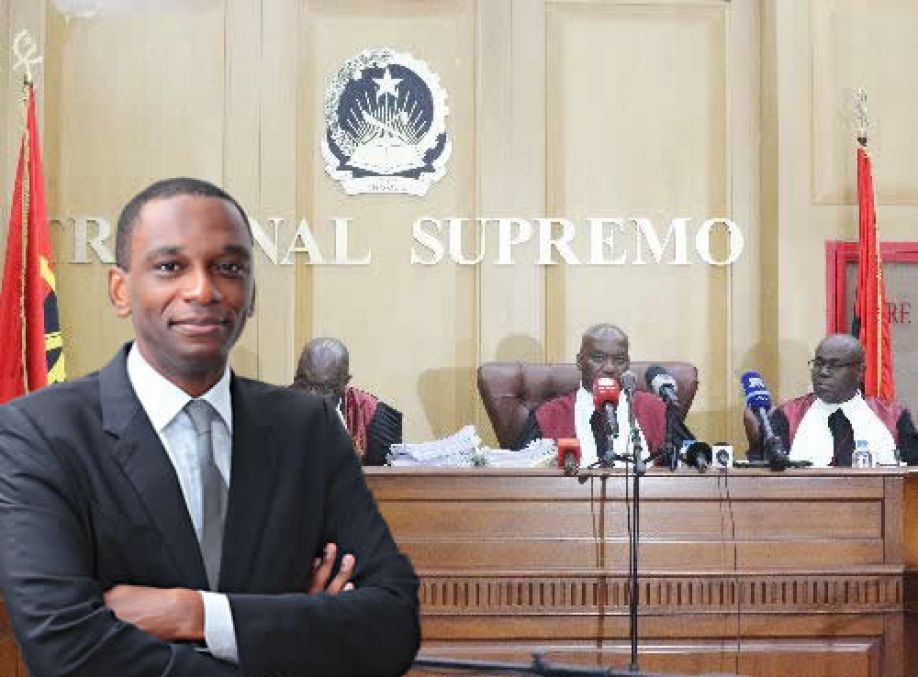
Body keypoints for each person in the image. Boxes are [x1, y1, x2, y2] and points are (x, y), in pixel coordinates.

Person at [0, 178, 420, 677]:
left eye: (229, 267)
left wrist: (196, 614)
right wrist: (292, 635)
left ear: (251, 293)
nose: (202, 290)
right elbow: (67, 651)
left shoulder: (308, 429)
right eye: (170, 266)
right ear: (120, 290)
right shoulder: (38, 433)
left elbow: (392, 625)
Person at [746, 333, 918, 466]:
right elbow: (767, 476)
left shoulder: (893, 417)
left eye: (834, 365)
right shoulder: (787, 415)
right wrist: (756, 442)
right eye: (819, 363)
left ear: (860, 372)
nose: (823, 372)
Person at [513, 324, 666, 463]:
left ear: (628, 364)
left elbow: (679, 468)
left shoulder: (655, 410)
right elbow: (520, 474)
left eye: (620, 360)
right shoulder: (548, 416)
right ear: (580, 361)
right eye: (598, 358)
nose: (610, 368)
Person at [292, 337, 402, 466]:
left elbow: (386, 474)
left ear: (345, 382)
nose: (312, 394)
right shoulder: (276, 408)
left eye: (324, 388)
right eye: (304, 384)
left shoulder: (370, 413)